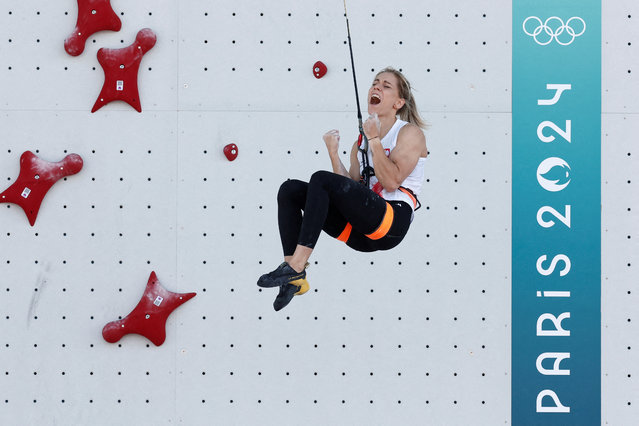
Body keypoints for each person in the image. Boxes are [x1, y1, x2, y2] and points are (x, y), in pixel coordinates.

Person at [257, 67, 428, 310]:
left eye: (386, 86)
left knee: (321, 179)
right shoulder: (360, 143)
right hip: (360, 234)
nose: (376, 87)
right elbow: (350, 191)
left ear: (398, 102)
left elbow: (391, 182)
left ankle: (296, 266)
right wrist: (334, 155)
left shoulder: (409, 133)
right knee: (290, 190)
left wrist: (374, 141)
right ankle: (293, 277)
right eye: (375, 83)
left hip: (391, 223)